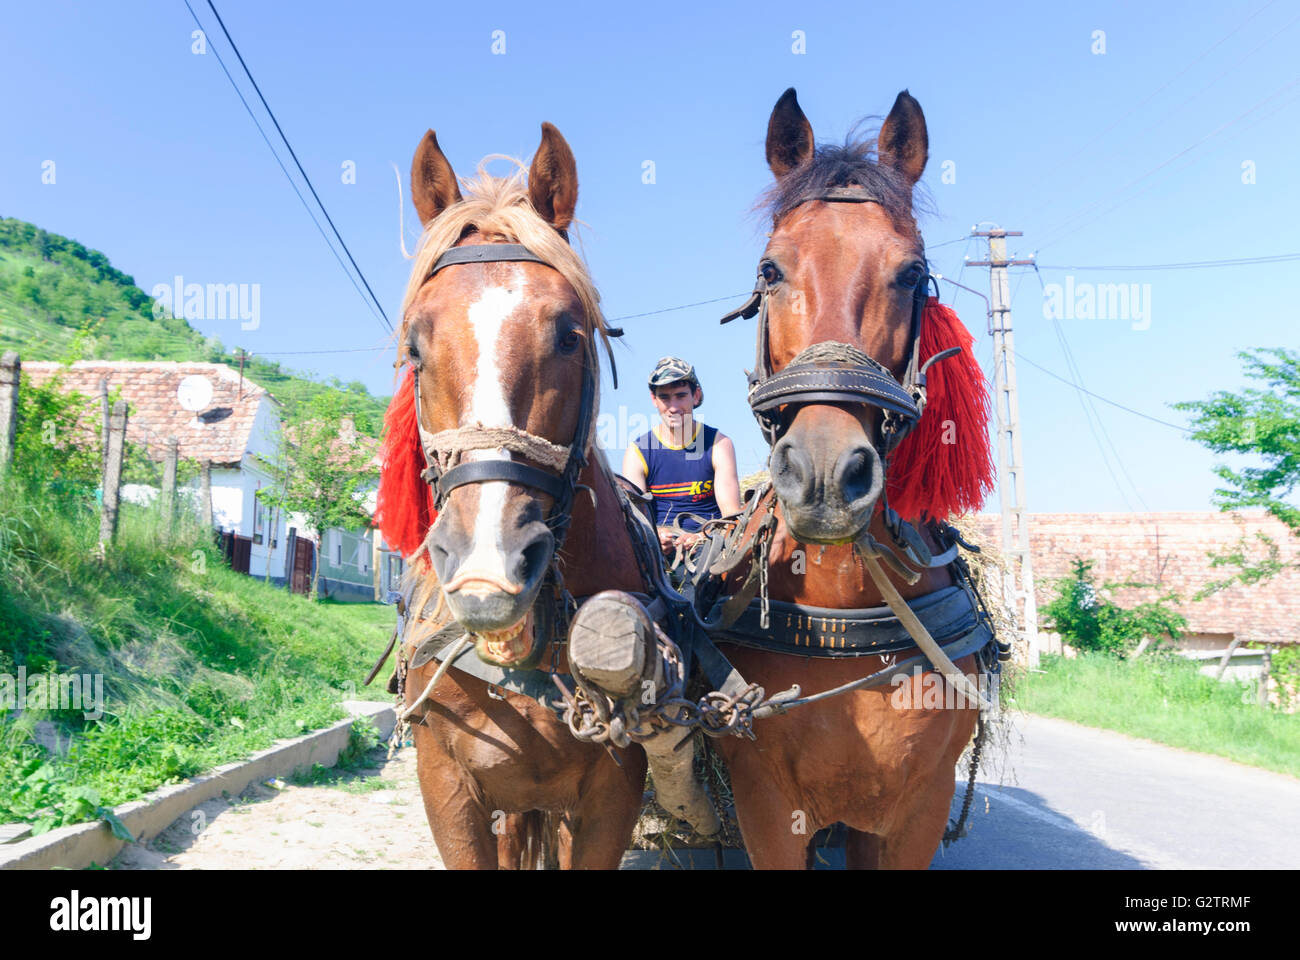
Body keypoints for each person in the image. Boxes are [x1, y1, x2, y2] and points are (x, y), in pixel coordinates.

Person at [622, 356, 742, 559]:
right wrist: (656, 536)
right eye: (665, 398)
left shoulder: (719, 445)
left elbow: (731, 515)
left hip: (710, 548)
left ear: (696, 396)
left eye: (680, 396)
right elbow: (636, 519)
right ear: (654, 400)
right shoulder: (637, 452)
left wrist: (703, 537)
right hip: (656, 553)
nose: (673, 407)